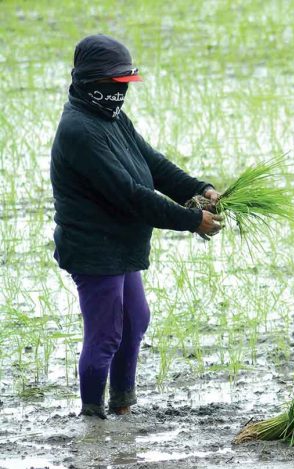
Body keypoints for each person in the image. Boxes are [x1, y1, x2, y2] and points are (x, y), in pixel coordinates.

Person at [50, 34, 223, 419]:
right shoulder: (78, 130)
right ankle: (92, 416)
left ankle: (123, 405)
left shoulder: (112, 118)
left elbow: (153, 165)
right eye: (114, 85)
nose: (120, 92)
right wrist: (192, 220)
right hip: (94, 249)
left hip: (121, 244)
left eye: (124, 84)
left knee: (134, 320)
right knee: (107, 333)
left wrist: (199, 189)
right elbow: (130, 194)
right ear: (91, 83)